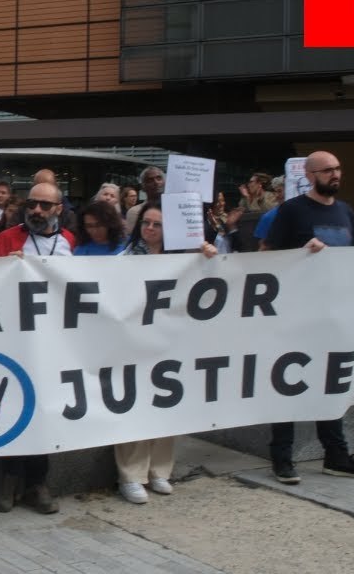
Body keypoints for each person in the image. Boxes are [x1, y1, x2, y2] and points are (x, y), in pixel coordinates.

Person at [262, 151, 354, 484]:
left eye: (338, 169)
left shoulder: (345, 211)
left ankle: (336, 455)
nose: (336, 174)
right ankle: (282, 458)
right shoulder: (291, 210)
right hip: (295, 315)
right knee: (286, 385)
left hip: (333, 314)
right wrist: (301, 254)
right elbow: (265, 257)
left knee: (329, 386)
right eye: (328, 170)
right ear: (311, 174)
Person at [115, 204, 217, 503]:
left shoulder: (182, 259)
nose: (149, 229)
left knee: (166, 406)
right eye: (145, 223)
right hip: (135, 342)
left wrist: (207, 256)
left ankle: (160, 471)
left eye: (157, 224)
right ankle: (131, 475)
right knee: (135, 408)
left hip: (171, 343)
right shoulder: (126, 257)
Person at [0, 182, 76, 514]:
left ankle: (38, 483)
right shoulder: (9, 237)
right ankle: (8, 479)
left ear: (58, 209)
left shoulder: (69, 241)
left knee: (45, 409)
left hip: (53, 341)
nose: (36, 210)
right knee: (13, 406)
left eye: (44, 205)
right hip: (15, 339)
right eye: (31, 204)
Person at [124, 167, 164, 235]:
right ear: (143, 187)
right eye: (150, 180)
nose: (156, 182)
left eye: (159, 178)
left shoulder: (175, 208)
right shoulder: (135, 212)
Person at [253, 176, 286, 249]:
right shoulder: (268, 217)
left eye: (280, 191)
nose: (276, 196)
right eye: (276, 192)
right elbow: (263, 247)